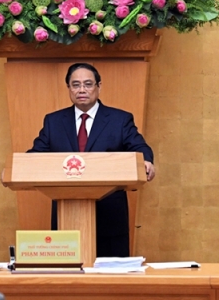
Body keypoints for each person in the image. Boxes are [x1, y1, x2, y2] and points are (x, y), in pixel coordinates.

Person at [29, 63, 155, 258]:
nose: (82, 90)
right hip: (66, 216)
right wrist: (15, 169)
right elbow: (36, 155)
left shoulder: (119, 119)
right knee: (68, 280)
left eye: (88, 84)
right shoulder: (53, 121)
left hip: (110, 215)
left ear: (99, 86)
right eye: (76, 85)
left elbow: (139, 147)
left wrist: (146, 161)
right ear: (69, 88)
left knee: (110, 283)